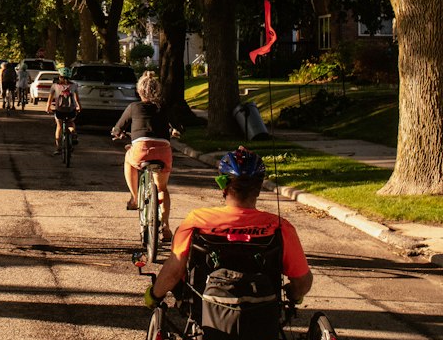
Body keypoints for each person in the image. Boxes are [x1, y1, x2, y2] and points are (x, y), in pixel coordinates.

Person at [144, 146, 313, 308]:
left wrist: (154, 295)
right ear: (259, 188)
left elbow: (174, 271)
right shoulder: (279, 227)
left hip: (205, 310)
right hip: (263, 314)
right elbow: (302, 282)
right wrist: (293, 295)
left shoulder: (197, 221)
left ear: (223, 186)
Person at [111, 71, 176, 241]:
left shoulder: (134, 107)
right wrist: (175, 130)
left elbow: (117, 128)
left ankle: (134, 197)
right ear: (158, 91)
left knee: (128, 159)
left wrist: (118, 133)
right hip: (163, 150)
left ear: (139, 91)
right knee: (162, 189)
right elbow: (179, 126)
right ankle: (166, 227)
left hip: (141, 149)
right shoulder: (164, 107)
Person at [46, 67, 81, 150]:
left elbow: (50, 98)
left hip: (59, 110)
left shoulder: (55, 86)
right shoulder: (74, 85)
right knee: (71, 122)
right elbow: (76, 98)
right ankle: (73, 132)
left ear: (60, 77)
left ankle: (58, 148)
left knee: (59, 127)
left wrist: (48, 107)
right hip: (70, 110)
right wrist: (79, 106)